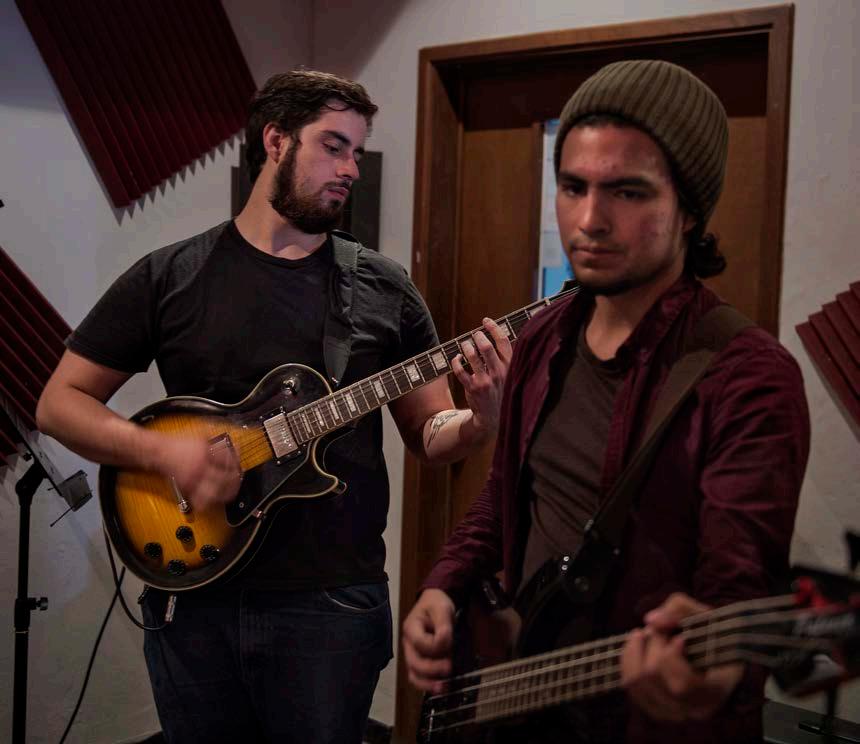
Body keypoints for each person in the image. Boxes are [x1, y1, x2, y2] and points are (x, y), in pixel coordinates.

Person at [36, 70, 512, 744]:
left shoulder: (383, 288)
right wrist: (161, 450)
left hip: (331, 603)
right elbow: (59, 403)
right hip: (192, 599)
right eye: (334, 146)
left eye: (357, 153)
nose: (350, 170)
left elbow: (429, 432)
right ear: (276, 141)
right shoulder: (171, 276)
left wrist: (483, 419)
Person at [402, 59, 810, 743]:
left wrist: (710, 669)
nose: (590, 219)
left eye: (627, 191)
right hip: (522, 709)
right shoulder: (542, 338)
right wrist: (443, 586)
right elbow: (508, 491)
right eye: (573, 187)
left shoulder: (748, 377)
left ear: (689, 210)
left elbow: (738, 589)